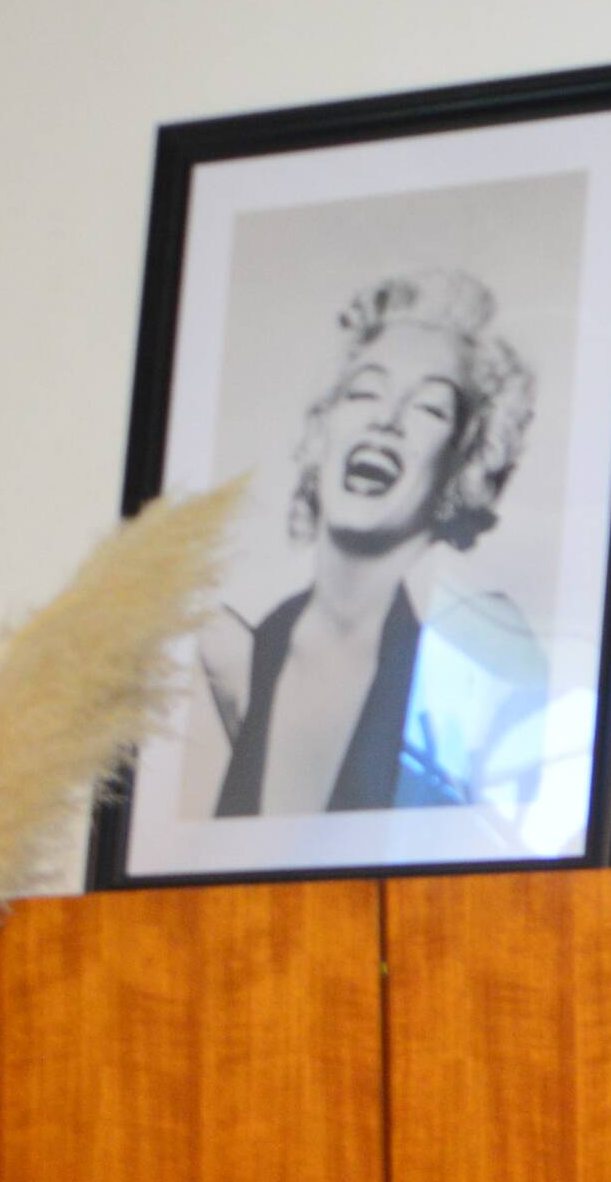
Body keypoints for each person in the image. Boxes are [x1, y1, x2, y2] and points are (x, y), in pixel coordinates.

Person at [190, 270, 548, 819]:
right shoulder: (230, 652)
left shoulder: (480, 655)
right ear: (320, 430)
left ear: (465, 463)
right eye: (363, 392)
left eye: (430, 407)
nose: (386, 420)